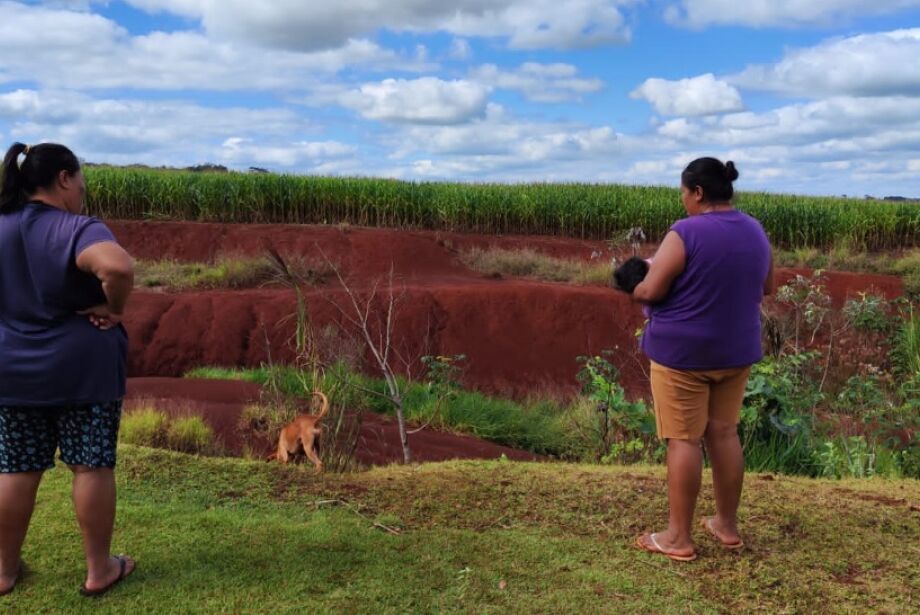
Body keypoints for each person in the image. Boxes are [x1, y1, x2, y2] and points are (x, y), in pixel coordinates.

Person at [0, 142, 136, 596]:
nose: (82, 191)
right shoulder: (76, 227)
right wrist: (114, 307)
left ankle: (4, 571)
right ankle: (100, 570)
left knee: (16, 469)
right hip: (83, 371)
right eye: (80, 181)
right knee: (90, 466)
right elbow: (117, 267)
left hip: (12, 370)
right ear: (63, 178)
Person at [631, 157, 775, 562]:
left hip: (683, 355)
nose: (682, 200)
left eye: (683, 192)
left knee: (684, 439)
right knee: (724, 433)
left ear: (697, 192)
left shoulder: (685, 232)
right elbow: (767, 286)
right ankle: (726, 525)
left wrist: (635, 284)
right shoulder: (755, 229)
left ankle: (678, 537)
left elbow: (650, 291)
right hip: (736, 351)